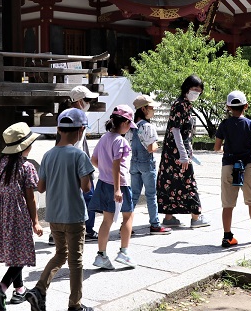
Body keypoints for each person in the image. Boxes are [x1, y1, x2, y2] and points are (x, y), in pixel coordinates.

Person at [26, 108, 95, 311]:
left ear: (59, 129)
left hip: (54, 216)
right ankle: (75, 305)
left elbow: (41, 187)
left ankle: (39, 289)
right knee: (76, 262)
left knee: (59, 254)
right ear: (81, 130)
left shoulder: (48, 155)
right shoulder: (79, 155)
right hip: (74, 216)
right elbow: (86, 188)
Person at [0, 122, 43, 311]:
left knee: (16, 252)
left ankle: (19, 289)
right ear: (24, 146)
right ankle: (1, 287)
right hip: (18, 213)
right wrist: (35, 221)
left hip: (0, 213)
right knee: (22, 254)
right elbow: (30, 198)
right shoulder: (27, 167)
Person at [214, 90, 251, 247]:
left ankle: (227, 237)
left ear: (228, 107)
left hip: (228, 166)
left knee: (227, 203)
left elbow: (217, 147)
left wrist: (226, 150)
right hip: (246, 165)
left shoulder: (224, 125)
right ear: (245, 106)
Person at [48, 85, 100, 245]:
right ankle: (88, 230)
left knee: (63, 197)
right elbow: (76, 144)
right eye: (88, 100)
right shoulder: (78, 117)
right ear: (79, 101)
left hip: (64, 160)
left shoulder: (65, 116)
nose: (90, 103)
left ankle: (56, 234)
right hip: (77, 162)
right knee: (88, 196)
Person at [157, 75, 210, 228]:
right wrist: (184, 154)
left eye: (199, 91)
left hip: (172, 152)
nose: (196, 93)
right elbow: (176, 130)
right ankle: (196, 217)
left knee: (171, 182)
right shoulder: (181, 105)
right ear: (186, 88)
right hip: (177, 153)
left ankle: (168, 217)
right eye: (194, 89)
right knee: (188, 182)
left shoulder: (184, 104)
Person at [89, 104, 137, 269]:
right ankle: (124, 252)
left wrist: (105, 171)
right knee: (128, 216)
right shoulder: (120, 141)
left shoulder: (104, 138)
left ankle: (101, 255)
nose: (130, 128)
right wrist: (117, 188)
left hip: (103, 182)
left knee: (106, 220)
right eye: (129, 125)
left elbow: (94, 160)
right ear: (124, 123)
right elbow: (117, 166)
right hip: (120, 185)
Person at [125, 95, 171, 235]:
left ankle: (126, 225)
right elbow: (152, 148)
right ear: (144, 109)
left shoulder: (130, 127)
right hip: (147, 164)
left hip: (134, 163)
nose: (154, 111)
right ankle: (155, 225)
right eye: (152, 108)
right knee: (151, 195)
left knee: (133, 195)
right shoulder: (148, 127)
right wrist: (158, 144)